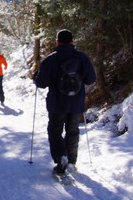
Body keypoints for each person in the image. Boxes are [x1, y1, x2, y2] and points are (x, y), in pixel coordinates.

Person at [34, 29, 96, 175]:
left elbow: (42, 83)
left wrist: (36, 78)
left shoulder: (51, 59)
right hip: (76, 103)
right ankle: (71, 162)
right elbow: (91, 79)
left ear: (57, 42)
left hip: (56, 103)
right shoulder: (82, 58)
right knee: (73, 131)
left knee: (55, 131)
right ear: (72, 42)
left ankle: (61, 157)